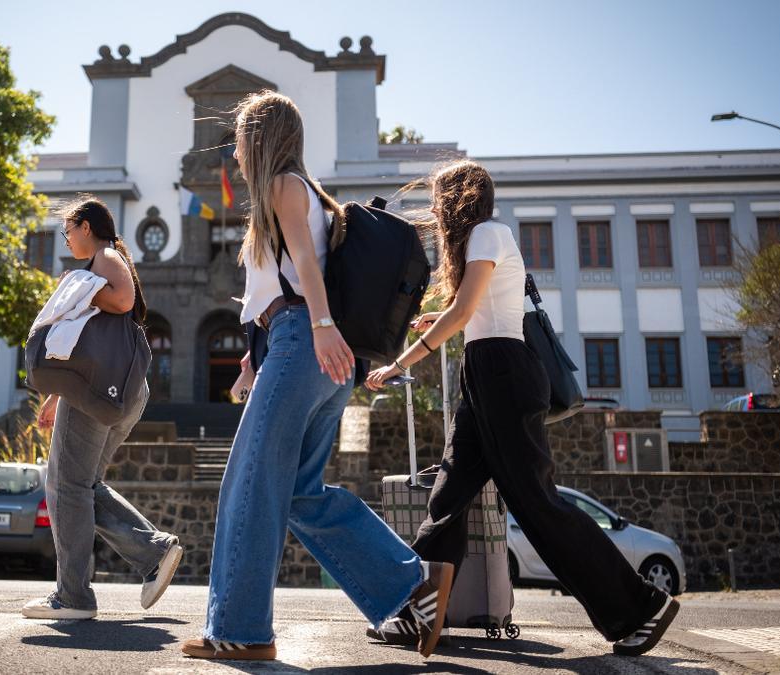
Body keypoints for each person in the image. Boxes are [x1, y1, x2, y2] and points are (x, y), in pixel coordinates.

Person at [365, 160, 680, 656]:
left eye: (440, 197)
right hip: (485, 372)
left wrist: (402, 361)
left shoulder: (489, 233)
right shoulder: (479, 242)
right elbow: (470, 310)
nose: (436, 208)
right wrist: (437, 319)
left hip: (504, 374)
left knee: (538, 505)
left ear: (458, 200)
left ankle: (643, 607)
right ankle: (418, 612)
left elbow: (467, 310)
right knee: (448, 496)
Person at [182, 91, 454, 662]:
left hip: (307, 343)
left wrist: (321, 327)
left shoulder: (282, 185)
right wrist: (256, 363)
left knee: (250, 488)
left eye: (237, 138)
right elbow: (283, 282)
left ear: (259, 138)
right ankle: (410, 589)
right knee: (300, 494)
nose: (232, 150)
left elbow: (306, 267)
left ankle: (240, 631)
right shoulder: (309, 194)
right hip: (314, 352)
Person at [23, 197, 184, 620]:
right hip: (120, 389)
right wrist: (59, 395)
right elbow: (90, 340)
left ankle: (73, 596)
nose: (66, 238)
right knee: (83, 486)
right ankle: (154, 552)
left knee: (64, 486)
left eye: (68, 230)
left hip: (102, 392)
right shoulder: (103, 260)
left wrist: (80, 285)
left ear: (86, 226)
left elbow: (124, 300)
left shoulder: (106, 256)